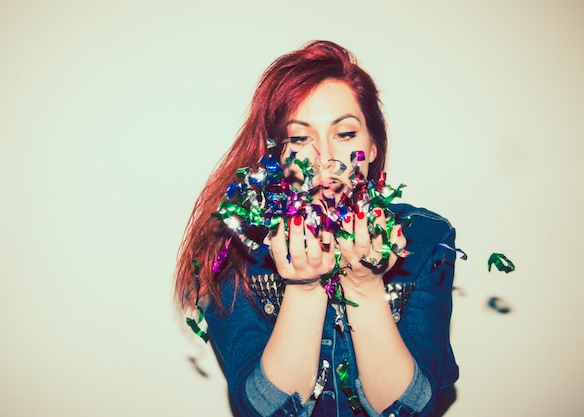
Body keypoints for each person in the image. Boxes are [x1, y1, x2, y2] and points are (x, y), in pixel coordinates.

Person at [174, 40, 458, 417]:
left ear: (372, 145)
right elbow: (263, 409)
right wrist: (304, 289)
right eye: (300, 137)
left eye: (344, 134)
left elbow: (412, 408)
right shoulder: (236, 247)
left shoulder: (426, 239)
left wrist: (366, 290)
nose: (324, 157)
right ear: (276, 154)